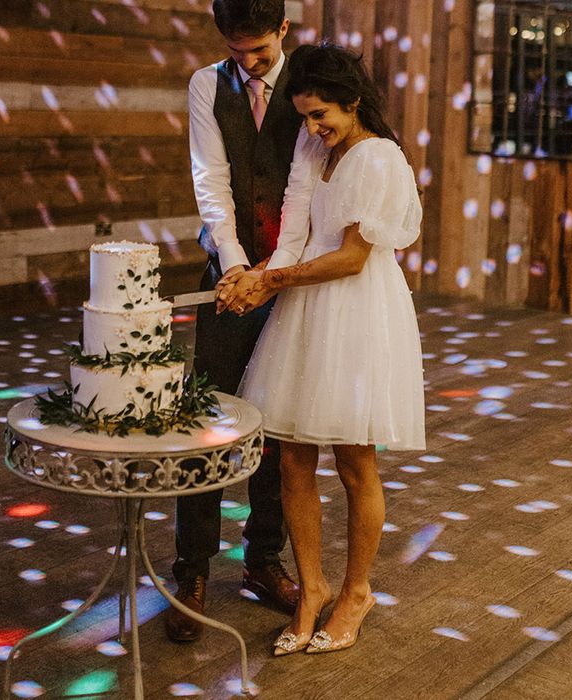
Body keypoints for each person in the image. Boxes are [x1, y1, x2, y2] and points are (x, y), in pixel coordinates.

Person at [218, 42, 426, 655]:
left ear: (353, 102)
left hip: (357, 309)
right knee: (292, 461)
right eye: (306, 116)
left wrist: (275, 282)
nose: (312, 128)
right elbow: (294, 229)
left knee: (355, 460)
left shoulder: (380, 158)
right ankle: (312, 588)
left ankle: (357, 590)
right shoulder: (313, 147)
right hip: (306, 305)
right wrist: (258, 278)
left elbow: (352, 256)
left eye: (321, 116)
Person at [165, 0, 317, 642]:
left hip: (292, 277)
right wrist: (233, 267)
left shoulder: (311, 81)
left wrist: (274, 272)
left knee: (280, 424)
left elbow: (309, 182)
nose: (249, 63)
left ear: (285, 30)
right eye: (237, 52)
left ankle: (262, 562)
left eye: (260, 50)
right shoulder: (207, 84)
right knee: (209, 420)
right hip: (230, 277)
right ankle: (191, 570)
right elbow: (212, 179)